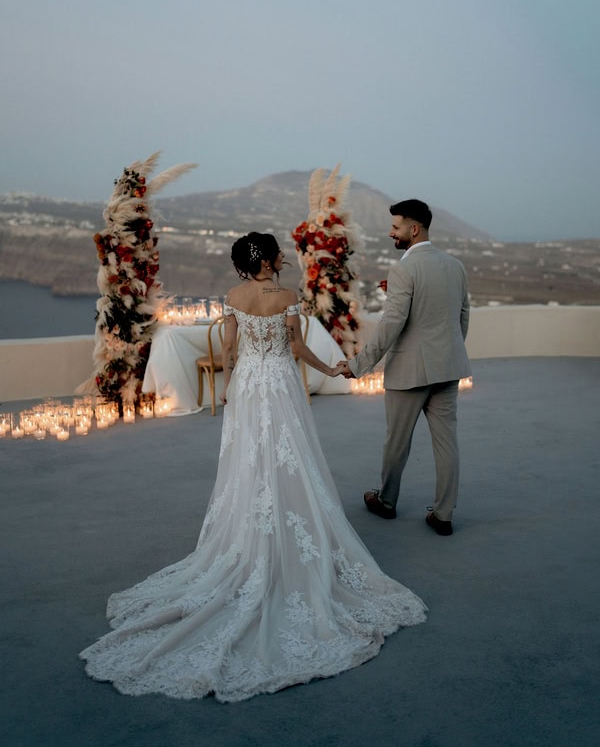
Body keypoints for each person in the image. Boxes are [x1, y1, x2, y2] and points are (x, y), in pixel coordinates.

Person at [80, 231, 427, 702]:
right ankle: (290, 531)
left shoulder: (234, 296)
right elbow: (297, 349)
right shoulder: (285, 296)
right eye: (278, 252)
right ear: (265, 260)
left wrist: (227, 386)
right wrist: (332, 370)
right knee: (291, 453)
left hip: (247, 383)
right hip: (280, 383)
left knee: (249, 458)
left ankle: (251, 536)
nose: (284, 256)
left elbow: (229, 350)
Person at [337, 200, 471, 536]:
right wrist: (447, 353)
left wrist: (358, 365)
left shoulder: (404, 269)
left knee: (396, 442)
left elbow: (391, 324)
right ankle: (443, 515)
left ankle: (386, 502)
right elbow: (462, 316)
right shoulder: (455, 266)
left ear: (414, 229)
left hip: (410, 371)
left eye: (395, 227)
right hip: (447, 367)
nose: (390, 233)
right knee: (447, 444)